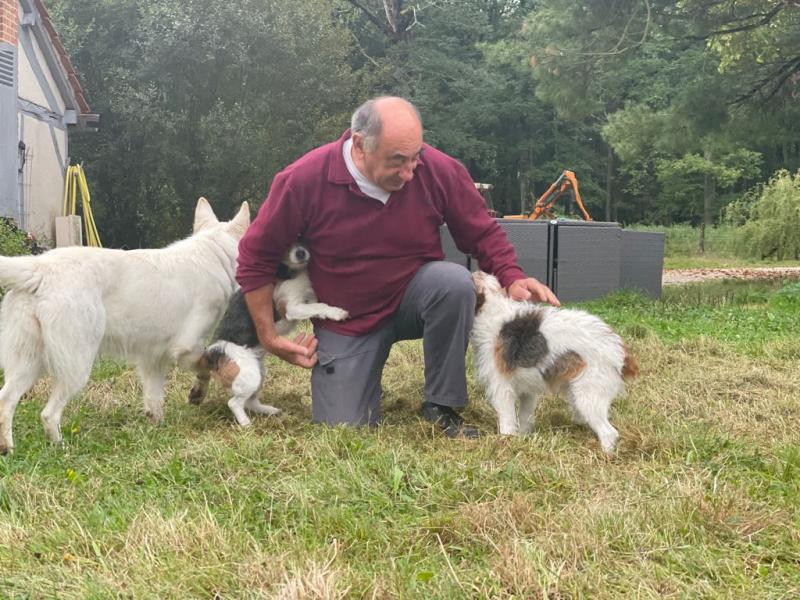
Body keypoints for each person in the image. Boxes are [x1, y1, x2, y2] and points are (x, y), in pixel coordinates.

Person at [236, 96, 560, 438]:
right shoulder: (303, 180)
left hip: (414, 299)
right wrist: (268, 336)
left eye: (415, 157)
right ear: (360, 146)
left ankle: (441, 404)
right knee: (344, 429)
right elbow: (256, 257)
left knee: (453, 283)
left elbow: (480, 230)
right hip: (349, 319)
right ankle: (361, 381)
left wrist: (512, 275)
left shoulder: (439, 170)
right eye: (397, 161)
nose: (409, 173)